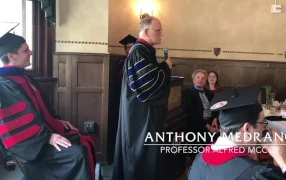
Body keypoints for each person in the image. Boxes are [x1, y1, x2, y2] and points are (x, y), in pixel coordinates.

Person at [0, 23, 99, 180]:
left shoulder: (23, 77)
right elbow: (16, 123)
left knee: (85, 140)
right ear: (12, 56)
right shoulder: (4, 84)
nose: (31, 52)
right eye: (25, 50)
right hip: (30, 144)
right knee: (77, 153)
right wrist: (47, 137)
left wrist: (56, 121)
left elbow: (41, 109)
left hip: (41, 133)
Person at [188, 85, 286, 180]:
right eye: (262, 123)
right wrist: (284, 161)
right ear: (246, 129)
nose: (263, 130)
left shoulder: (200, 158)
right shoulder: (257, 173)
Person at [112, 16, 173, 180]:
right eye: (158, 30)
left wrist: (162, 68)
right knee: (140, 155)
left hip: (143, 114)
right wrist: (165, 68)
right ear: (146, 31)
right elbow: (150, 87)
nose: (161, 34)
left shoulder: (145, 51)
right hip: (140, 117)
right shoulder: (139, 51)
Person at [182, 69, 219, 159]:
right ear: (193, 79)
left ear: (205, 80)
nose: (200, 80)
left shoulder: (209, 93)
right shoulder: (186, 93)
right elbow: (191, 114)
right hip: (195, 124)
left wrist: (215, 119)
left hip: (210, 121)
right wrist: (208, 126)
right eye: (198, 77)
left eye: (203, 78)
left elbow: (216, 108)